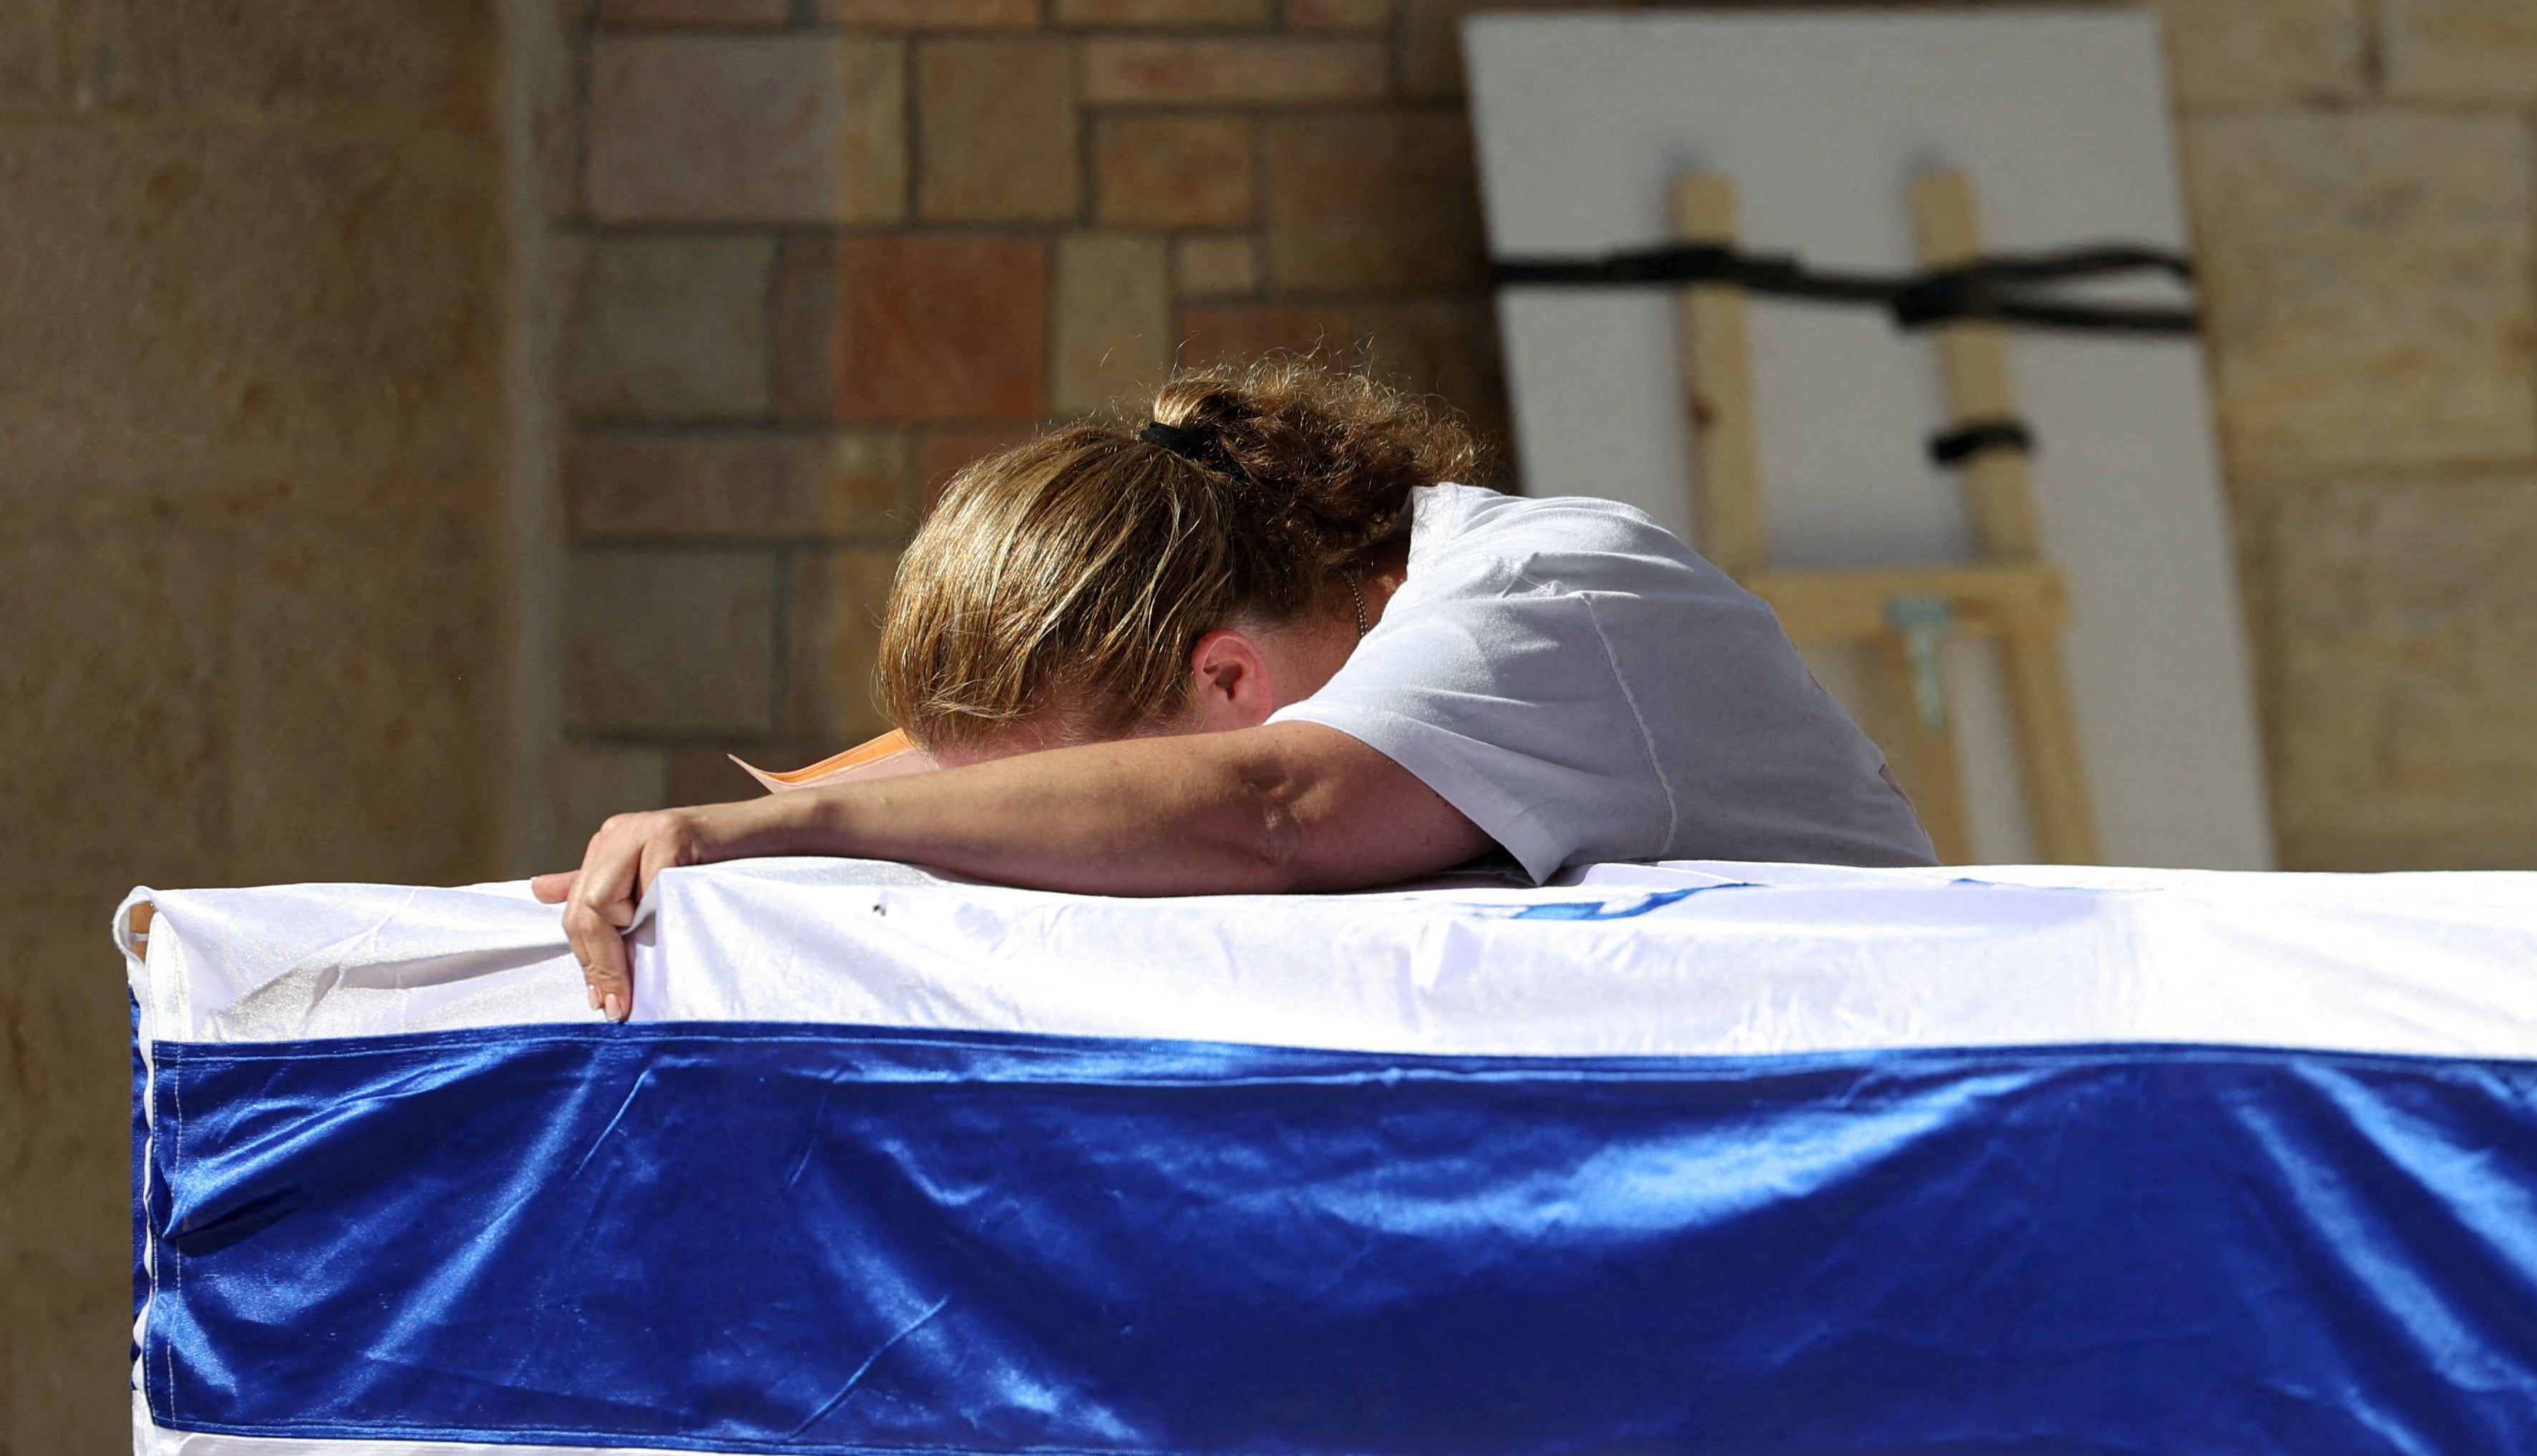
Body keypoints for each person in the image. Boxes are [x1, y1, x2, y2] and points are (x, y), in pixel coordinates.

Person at [537, 357, 1937, 1019]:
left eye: (1087, 777)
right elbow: (960, 776)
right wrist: (701, 848)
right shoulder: (1305, 651)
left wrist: (800, 832)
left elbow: (1271, 806)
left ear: (1224, 675)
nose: (1072, 819)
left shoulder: (1544, 594)